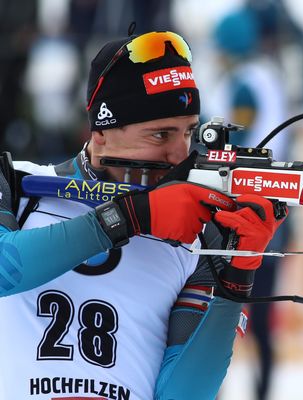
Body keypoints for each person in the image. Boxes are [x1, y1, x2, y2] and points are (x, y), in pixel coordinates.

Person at [0, 30, 285, 400]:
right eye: (160, 135)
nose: (179, 155)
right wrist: (130, 217)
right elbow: (7, 269)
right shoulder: (15, 183)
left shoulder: (200, 237)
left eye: (188, 133)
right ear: (100, 134)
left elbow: (185, 394)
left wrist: (238, 275)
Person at [206, 8, 291, 400]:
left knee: (221, 313)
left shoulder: (243, 83)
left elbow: (235, 149)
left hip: (244, 212)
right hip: (272, 208)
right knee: (259, 320)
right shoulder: (267, 76)